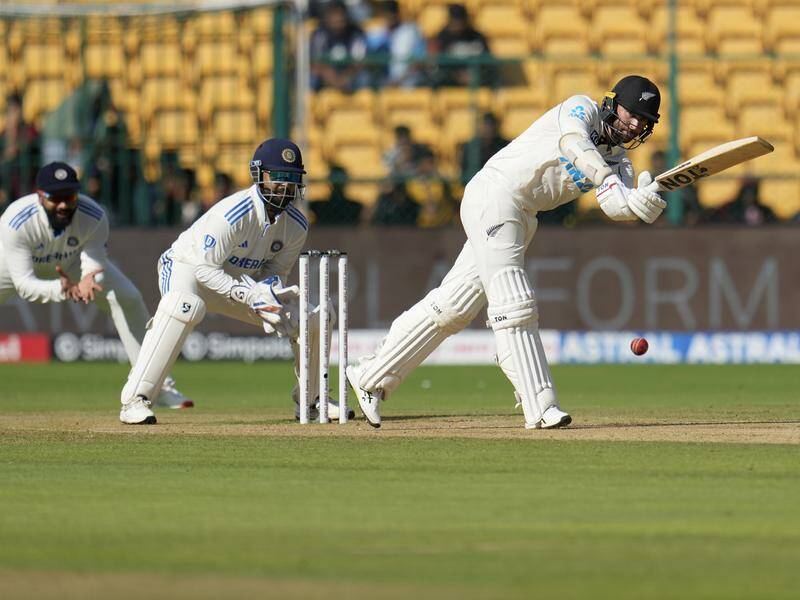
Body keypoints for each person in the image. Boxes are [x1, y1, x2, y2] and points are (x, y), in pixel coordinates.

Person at [347, 75, 666, 429]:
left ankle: (370, 376)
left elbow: (615, 206)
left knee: (455, 307)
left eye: (644, 121)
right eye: (631, 112)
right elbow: (574, 142)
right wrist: (607, 179)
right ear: (611, 103)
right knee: (514, 302)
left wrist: (640, 204)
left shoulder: (619, 162)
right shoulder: (582, 108)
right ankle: (541, 406)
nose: (635, 123)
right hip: (495, 195)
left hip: (522, 215)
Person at [119, 139, 353, 424]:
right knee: (185, 305)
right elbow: (204, 269)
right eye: (277, 177)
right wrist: (247, 294)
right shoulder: (233, 214)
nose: (284, 186)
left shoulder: (297, 225)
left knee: (313, 316)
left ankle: (313, 401)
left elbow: (275, 273)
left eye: (291, 179)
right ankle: (136, 400)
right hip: (187, 269)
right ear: (259, 175)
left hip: (238, 285)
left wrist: (268, 292)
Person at [0, 162, 190, 411]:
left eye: (68, 197)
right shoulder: (16, 221)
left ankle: (156, 385)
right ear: (39, 196)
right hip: (10, 266)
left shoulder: (93, 216)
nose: (63, 205)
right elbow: (24, 285)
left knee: (127, 297)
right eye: (55, 198)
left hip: (71, 262)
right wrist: (62, 289)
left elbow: (94, 264)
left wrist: (89, 279)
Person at [429, 4, 494, 87]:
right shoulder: (442, 38)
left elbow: (489, 63)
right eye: (455, 22)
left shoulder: (477, 37)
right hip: (450, 83)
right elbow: (437, 66)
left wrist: (474, 74)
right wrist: (457, 76)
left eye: (460, 22)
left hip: (477, 81)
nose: (458, 26)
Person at [310, 1, 369, 92]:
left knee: (364, 77)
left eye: (341, 17)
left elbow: (360, 62)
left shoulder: (356, 33)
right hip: (325, 75)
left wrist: (345, 77)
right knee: (311, 78)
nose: (338, 21)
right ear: (328, 19)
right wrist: (330, 76)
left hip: (349, 75)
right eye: (334, 17)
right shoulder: (320, 34)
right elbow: (315, 63)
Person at [366, 0, 427, 87]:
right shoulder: (375, 33)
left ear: (398, 14)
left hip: (408, 82)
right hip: (382, 82)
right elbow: (369, 60)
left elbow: (419, 61)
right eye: (386, 14)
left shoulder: (411, 31)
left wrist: (399, 80)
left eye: (392, 13)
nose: (389, 17)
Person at [459, 112, 510, 185]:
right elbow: (464, 175)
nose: (488, 129)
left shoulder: (505, 146)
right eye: (485, 125)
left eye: (490, 126)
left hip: (498, 188)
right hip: (476, 188)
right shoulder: (470, 148)